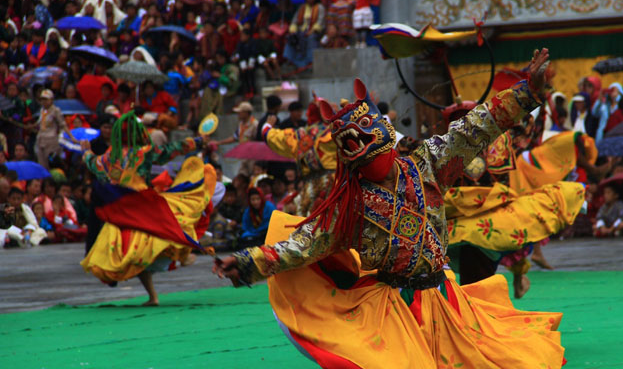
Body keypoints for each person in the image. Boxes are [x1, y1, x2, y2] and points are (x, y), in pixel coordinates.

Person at [214, 50, 568, 368]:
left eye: (366, 137)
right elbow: (305, 244)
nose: (360, 147)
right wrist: (249, 262)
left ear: (386, 134)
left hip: (442, 299)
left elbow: (476, 128)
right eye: (351, 145)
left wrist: (527, 92)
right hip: (392, 307)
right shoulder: (350, 204)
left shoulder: (426, 164)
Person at [80, 112, 215, 306]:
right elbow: (172, 149)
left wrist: (85, 151)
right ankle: (178, 260)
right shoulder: (144, 152)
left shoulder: (110, 156)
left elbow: (93, 164)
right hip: (143, 205)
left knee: (134, 253)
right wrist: (198, 142)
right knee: (167, 229)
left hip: (122, 210)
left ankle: (156, 293)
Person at [33, 89, 73, 169]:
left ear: (51, 100)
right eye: (42, 100)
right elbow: (39, 123)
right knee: (41, 163)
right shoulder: (42, 110)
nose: (44, 102)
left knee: (51, 163)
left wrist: (71, 137)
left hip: (51, 140)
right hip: (40, 138)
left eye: (46, 99)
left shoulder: (56, 110)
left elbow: (63, 125)